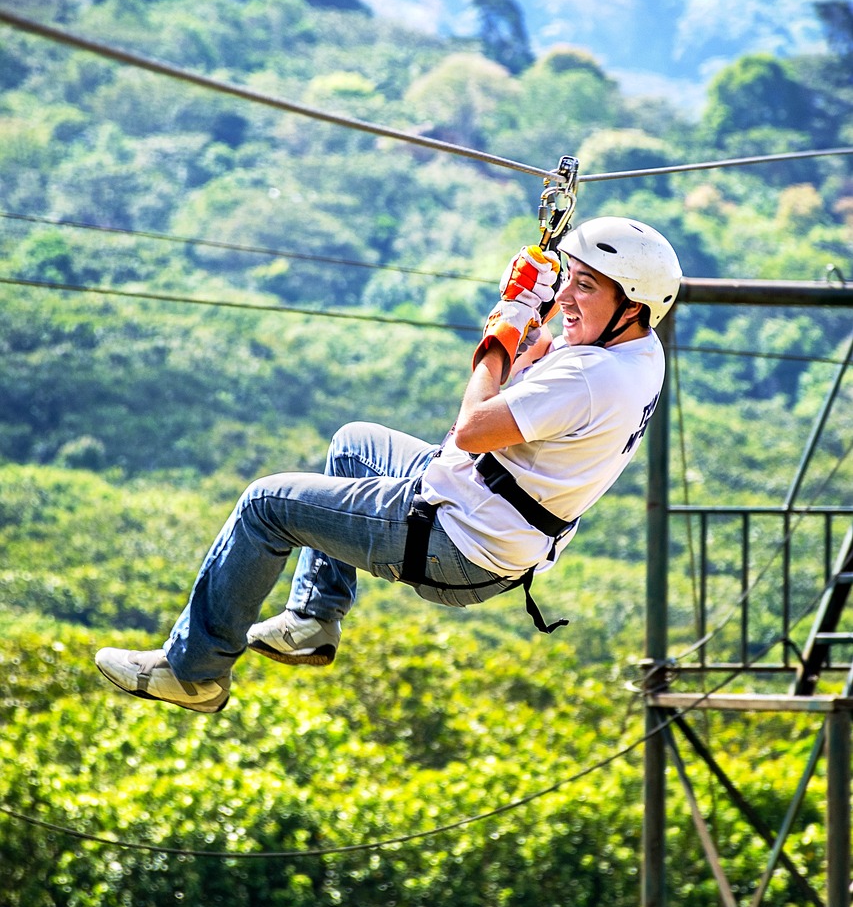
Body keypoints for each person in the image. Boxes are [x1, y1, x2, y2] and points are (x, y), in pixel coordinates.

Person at [96, 216, 682, 714]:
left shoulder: (589, 378)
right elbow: (548, 357)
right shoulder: (638, 352)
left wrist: (504, 329)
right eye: (571, 283)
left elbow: (474, 428)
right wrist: (538, 310)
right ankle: (312, 618)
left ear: (630, 306)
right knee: (355, 444)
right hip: (496, 518)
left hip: (457, 540)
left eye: (587, 288)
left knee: (265, 506)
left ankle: (193, 671)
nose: (571, 300)